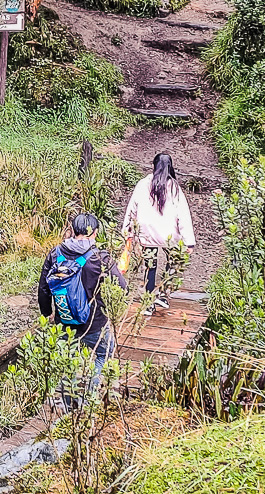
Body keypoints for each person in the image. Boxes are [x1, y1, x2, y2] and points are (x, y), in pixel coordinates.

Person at [37, 213, 126, 402]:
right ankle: (91, 399)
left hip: (64, 321)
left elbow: (43, 288)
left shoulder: (55, 254)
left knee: (67, 361)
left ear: (73, 230)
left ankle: (68, 405)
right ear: (94, 232)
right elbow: (122, 286)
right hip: (95, 322)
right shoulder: (100, 258)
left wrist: (48, 314)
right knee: (103, 354)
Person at [122, 152, 196, 306]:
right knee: (172, 262)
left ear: (153, 166)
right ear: (171, 167)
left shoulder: (143, 184)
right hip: (169, 236)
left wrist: (128, 231)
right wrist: (189, 242)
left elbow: (132, 209)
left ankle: (148, 303)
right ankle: (163, 295)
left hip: (147, 234)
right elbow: (183, 214)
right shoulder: (174, 187)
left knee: (150, 267)